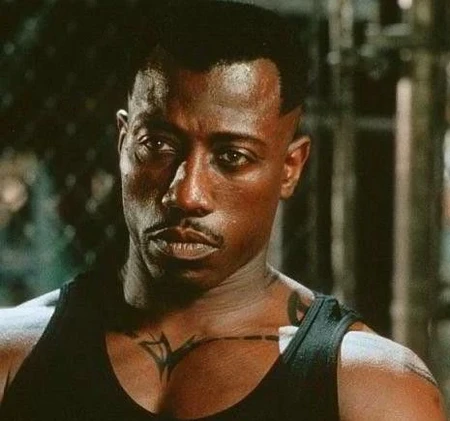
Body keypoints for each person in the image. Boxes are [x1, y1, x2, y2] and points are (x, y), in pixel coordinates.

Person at [0, 1, 446, 420]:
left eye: (232, 156)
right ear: (123, 143)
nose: (186, 194)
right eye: (157, 145)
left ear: (290, 167)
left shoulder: (372, 391)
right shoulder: (13, 354)